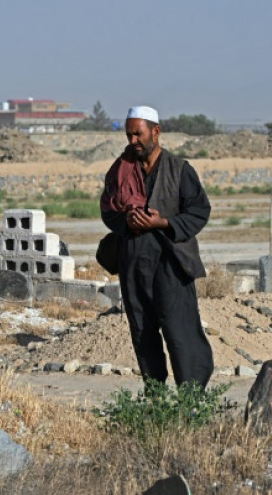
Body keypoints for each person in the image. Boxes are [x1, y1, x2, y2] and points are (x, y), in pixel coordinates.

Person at [100, 105, 214, 389]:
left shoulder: (179, 169)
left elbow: (199, 210)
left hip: (171, 264)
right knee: (142, 330)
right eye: (129, 136)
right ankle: (155, 395)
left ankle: (191, 397)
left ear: (156, 132)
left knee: (180, 331)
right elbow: (108, 210)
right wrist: (128, 220)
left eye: (138, 134)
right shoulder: (120, 170)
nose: (133, 141)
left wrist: (163, 222)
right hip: (134, 262)